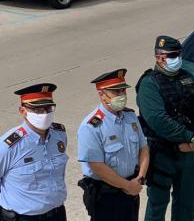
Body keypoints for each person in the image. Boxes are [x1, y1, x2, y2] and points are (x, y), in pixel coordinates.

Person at [136, 36, 194, 221]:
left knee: (187, 200)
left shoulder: (187, 77)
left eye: (178, 54)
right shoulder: (149, 84)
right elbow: (158, 120)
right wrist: (189, 138)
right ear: (159, 57)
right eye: (173, 55)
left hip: (187, 154)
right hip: (162, 153)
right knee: (158, 203)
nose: (177, 58)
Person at [77, 69, 150, 221]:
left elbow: (143, 148)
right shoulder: (91, 126)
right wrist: (127, 185)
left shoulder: (130, 117)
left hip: (132, 189)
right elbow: (96, 166)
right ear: (102, 94)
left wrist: (140, 178)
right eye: (116, 91)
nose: (121, 95)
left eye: (123, 90)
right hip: (106, 196)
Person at [0, 84, 67, 220]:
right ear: (23, 111)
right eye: (37, 109)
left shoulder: (59, 135)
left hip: (57, 214)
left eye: (48, 108)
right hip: (24, 217)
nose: (44, 114)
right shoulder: (10, 146)